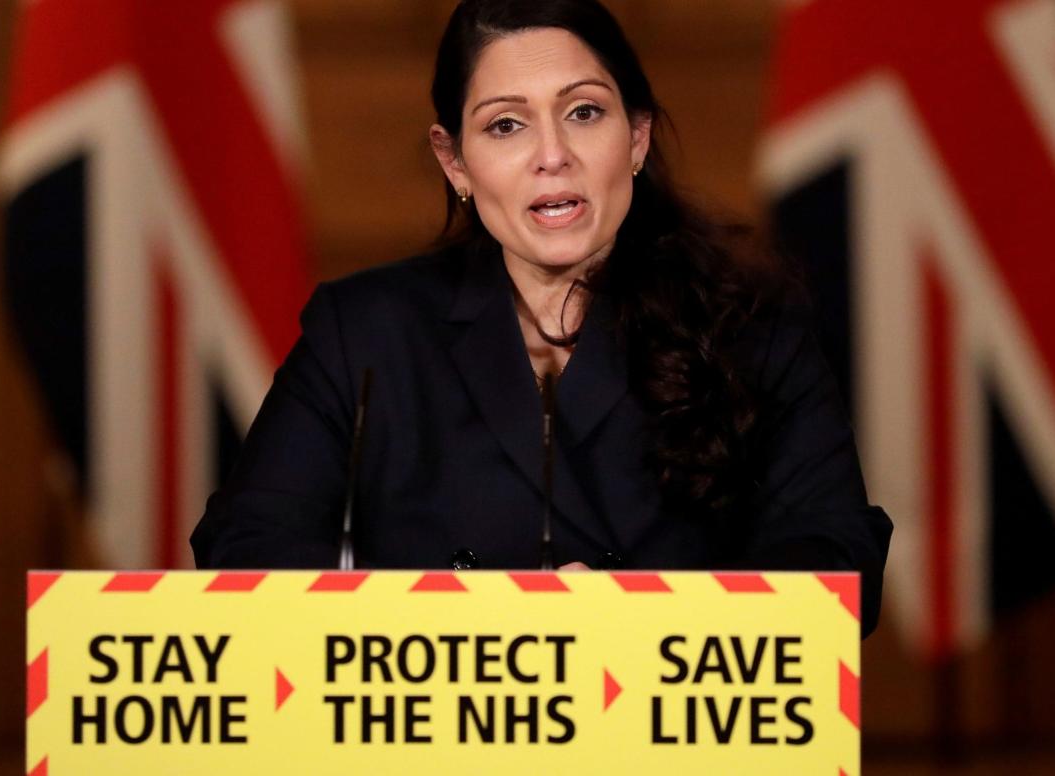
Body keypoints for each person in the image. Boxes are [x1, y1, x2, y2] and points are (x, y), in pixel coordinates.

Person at [191, 0, 892, 635]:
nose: (552, 155)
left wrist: (644, 621)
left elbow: (836, 566)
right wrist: (468, 627)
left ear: (638, 137)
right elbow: (246, 550)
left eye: (584, 112)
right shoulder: (364, 335)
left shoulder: (754, 332)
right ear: (456, 163)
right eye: (505, 125)